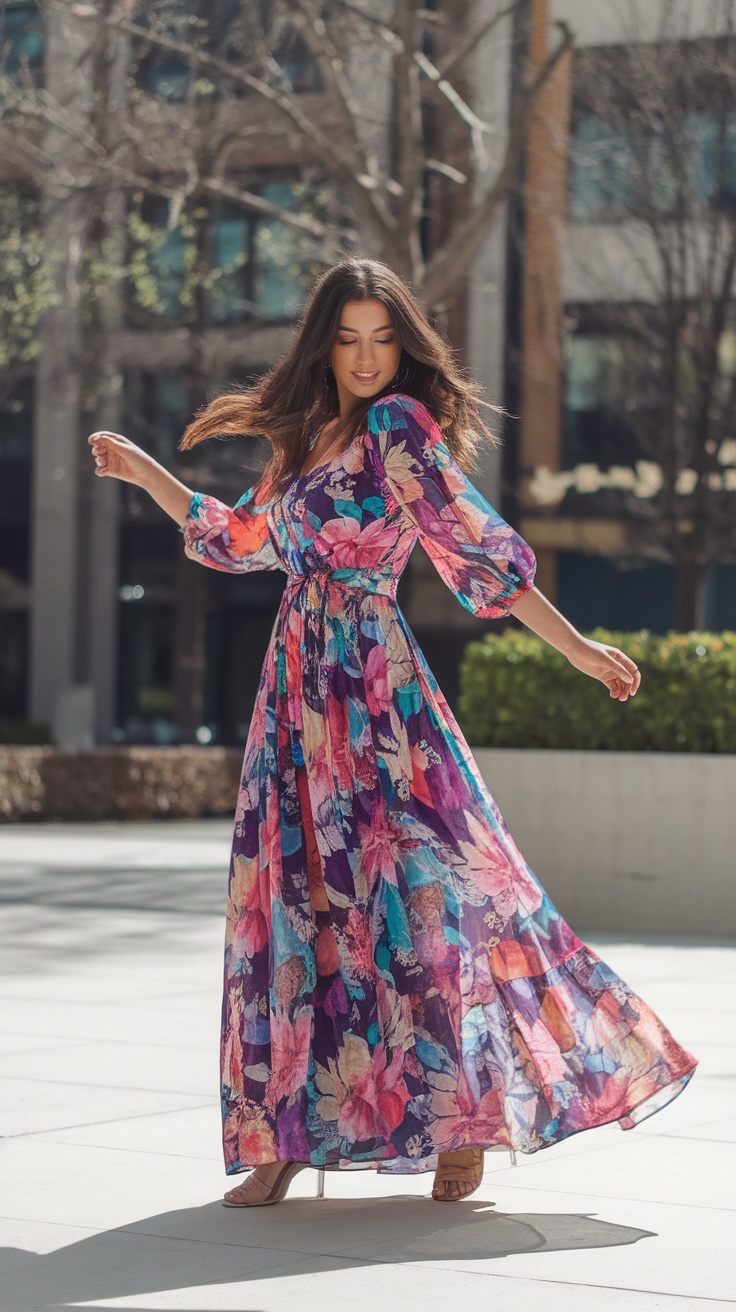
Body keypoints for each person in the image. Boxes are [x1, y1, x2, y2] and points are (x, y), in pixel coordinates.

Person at [88, 258, 697, 1207]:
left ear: (403, 347)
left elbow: (475, 545)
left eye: (384, 338)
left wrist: (575, 646)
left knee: (426, 895)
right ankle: (286, 1136)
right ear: (323, 344)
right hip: (293, 701)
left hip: (375, 691)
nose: (368, 357)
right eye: (348, 337)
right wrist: (144, 472)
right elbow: (238, 541)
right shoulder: (304, 439)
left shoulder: (396, 429)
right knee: (293, 907)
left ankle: (463, 1121)